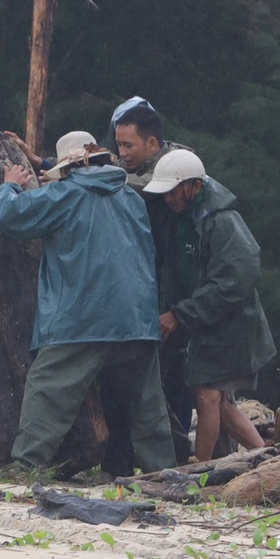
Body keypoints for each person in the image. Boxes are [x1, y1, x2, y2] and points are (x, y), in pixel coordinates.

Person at [0, 133, 183, 473]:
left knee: (47, 389)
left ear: (69, 167)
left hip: (82, 319)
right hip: (137, 321)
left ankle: (25, 465)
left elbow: (10, 216)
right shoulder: (131, 198)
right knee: (147, 407)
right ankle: (164, 473)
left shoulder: (64, 194)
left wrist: (10, 186)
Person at [142, 147, 277, 461]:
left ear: (194, 187)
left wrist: (180, 314)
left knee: (206, 395)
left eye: (173, 191)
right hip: (208, 322)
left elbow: (236, 280)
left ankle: (200, 472)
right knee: (220, 402)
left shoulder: (223, 221)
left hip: (230, 325)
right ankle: (265, 457)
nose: (168, 198)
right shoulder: (185, 216)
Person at [103, 98, 196, 467]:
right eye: (119, 145)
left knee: (170, 384)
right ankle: (130, 461)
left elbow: (127, 182)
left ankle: (168, 459)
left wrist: (177, 309)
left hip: (171, 299)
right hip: (152, 295)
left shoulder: (174, 175)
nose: (121, 153)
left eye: (128, 146)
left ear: (153, 145)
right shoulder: (154, 167)